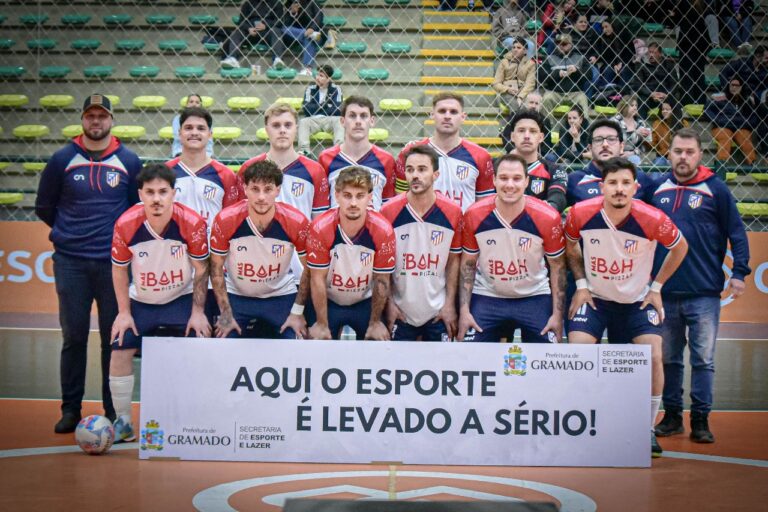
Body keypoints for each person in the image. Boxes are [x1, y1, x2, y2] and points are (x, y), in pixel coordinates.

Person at [565, 156, 689, 457]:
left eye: (625, 183)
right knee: (577, 351)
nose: (619, 189)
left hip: (636, 301)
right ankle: (583, 420)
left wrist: (656, 288)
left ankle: (646, 428)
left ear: (635, 187)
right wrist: (581, 284)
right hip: (596, 299)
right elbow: (570, 243)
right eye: (612, 183)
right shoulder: (580, 213)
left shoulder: (652, 218)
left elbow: (680, 247)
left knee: (654, 355)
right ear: (602, 187)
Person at [35, 93, 141, 434]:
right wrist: (70, 234)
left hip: (113, 265)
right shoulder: (62, 159)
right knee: (74, 336)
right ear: (83, 119)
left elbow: (134, 210)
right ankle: (70, 409)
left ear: (111, 120)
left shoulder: (129, 160)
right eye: (90, 116)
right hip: (71, 262)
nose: (96, 121)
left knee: (114, 338)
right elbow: (44, 206)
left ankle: (112, 410)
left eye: (102, 116)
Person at [651, 128, 751, 443]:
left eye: (689, 152)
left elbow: (737, 232)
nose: (683, 157)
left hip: (704, 293)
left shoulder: (716, 189)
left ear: (700, 155)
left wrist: (740, 272)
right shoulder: (656, 188)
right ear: (669, 153)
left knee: (703, 360)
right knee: (669, 359)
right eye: (678, 151)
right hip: (664, 292)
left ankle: (700, 420)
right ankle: (672, 416)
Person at [109, 163, 211, 441]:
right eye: (150, 192)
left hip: (181, 298)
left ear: (174, 194)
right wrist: (123, 313)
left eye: (163, 192)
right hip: (142, 300)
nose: (156, 199)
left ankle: (196, 419)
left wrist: (198, 311)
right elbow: (118, 269)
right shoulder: (126, 224)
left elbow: (201, 269)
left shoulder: (192, 223)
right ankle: (123, 421)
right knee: (120, 345)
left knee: (201, 342)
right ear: (140, 194)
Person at [457, 154, 566, 343]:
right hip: (488, 295)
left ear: (526, 181)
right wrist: (464, 312)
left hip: (534, 295)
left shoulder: (547, 217)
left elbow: (558, 267)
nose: (510, 185)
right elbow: (468, 265)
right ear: (493, 180)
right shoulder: (474, 214)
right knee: (469, 349)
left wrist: (557, 316)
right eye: (503, 178)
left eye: (516, 178)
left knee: (549, 351)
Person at [210, 160, 311, 339]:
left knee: (295, 343)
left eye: (268, 189)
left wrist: (297, 312)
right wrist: (225, 312)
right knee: (223, 343)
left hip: (280, 296)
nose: (261, 197)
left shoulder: (296, 221)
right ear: (245, 189)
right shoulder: (226, 220)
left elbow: (309, 268)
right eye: (255, 189)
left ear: (278, 190)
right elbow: (215, 267)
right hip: (237, 296)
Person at [380, 145, 463, 342]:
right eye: (410, 170)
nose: (415, 175)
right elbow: (382, 266)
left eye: (422, 169)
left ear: (436, 175)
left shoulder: (453, 212)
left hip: (438, 311)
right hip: (401, 311)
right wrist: (389, 304)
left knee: (442, 361)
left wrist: (449, 304)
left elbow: (453, 261)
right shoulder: (388, 211)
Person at [306, 167, 396, 340]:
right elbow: (317, 278)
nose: (353, 203)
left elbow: (382, 279)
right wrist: (322, 324)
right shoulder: (320, 228)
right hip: (330, 301)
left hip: (365, 302)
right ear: (337, 195)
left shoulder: (383, 230)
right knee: (317, 341)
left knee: (377, 340)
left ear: (370, 197)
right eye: (347, 196)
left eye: (360, 196)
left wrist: (375, 322)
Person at [396, 92, 495, 212]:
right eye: (442, 111)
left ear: (463, 117)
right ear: (432, 114)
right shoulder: (410, 153)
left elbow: (484, 205)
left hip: (463, 224)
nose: (447, 116)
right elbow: (399, 200)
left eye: (453, 112)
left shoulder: (480, 156)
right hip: (422, 223)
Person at [240, 102, 330, 220]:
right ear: (267, 129)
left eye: (288, 125)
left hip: (300, 233)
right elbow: (239, 215)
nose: (282, 130)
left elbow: (320, 221)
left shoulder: (315, 170)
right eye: (276, 125)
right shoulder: (249, 168)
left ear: (296, 129)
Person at [165, 107, 241, 229]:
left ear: (210, 134)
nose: (194, 132)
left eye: (201, 128)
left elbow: (231, 221)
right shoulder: (165, 172)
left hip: (211, 241)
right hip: (171, 240)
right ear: (179, 133)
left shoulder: (226, 175)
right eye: (188, 128)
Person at [318, 96, 396, 211]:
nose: (358, 121)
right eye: (352, 116)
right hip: (337, 222)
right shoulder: (326, 158)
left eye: (363, 116)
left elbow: (387, 206)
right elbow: (322, 207)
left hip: (373, 222)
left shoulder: (386, 160)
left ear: (372, 121)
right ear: (342, 121)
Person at [566, 118, 657, 206]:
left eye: (611, 139)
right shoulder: (574, 180)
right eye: (598, 140)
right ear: (590, 148)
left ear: (621, 147)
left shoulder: (640, 179)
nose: (605, 144)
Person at [507, 109, 568, 212]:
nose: (527, 136)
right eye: (521, 130)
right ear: (512, 136)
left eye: (533, 131)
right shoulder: (496, 167)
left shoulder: (554, 170)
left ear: (541, 137)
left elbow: (558, 197)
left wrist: (548, 208)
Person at [704, 76, 758, 166]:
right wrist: (717, 120)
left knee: (745, 140)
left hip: (741, 126)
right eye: (732, 85)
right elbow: (707, 110)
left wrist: (746, 124)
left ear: (741, 87)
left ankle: (753, 164)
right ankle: (722, 164)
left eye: (737, 85)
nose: (734, 87)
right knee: (725, 138)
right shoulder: (719, 97)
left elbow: (754, 116)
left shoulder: (748, 100)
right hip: (722, 125)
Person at [538, 33, 591, 123]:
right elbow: (541, 76)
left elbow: (589, 76)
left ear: (571, 45)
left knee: (583, 98)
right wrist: (557, 73)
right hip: (555, 93)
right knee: (546, 98)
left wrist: (576, 71)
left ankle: (584, 129)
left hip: (575, 93)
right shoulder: (549, 58)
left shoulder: (580, 58)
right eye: (558, 44)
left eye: (564, 44)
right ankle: (547, 127)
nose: (560, 46)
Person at [220, 0, 287, 69]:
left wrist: (266, 25)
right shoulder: (248, 3)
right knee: (238, 32)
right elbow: (241, 22)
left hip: (267, 31)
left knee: (276, 31)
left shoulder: (276, 3)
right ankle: (232, 58)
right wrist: (248, 28)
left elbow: (280, 22)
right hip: (250, 32)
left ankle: (277, 59)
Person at [298, 64, 343, 157]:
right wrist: (326, 106)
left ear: (328, 79)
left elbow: (338, 109)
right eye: (317, 75)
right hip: (313, 120)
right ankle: (305, 152)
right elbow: (306, 108)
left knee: (339, 120)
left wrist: (316, 107)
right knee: (303, 122)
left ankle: (339, 151)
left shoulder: (336, 89)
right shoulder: (310, 89)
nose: (317, 78)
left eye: (321, 76)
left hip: (329, 120)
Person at [492, 37, 536, 114]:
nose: (515, 50)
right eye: (513, 47)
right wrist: (507, 89)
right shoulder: (504, 62)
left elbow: (530, 84)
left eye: (519, 48)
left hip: (524, 92)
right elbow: (496, 83)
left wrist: (521, 96)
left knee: (531, 102)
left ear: (525, 51)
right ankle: (517, 119)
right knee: (514, 103)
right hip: (506, 92)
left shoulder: (531, 64)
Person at [634, 42, 678, 117]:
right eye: (649, 52)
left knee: (675, 103)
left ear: (660, 54)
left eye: (654, 52)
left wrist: (667, 94)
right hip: (648, 96)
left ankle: (672, 124)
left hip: (665, 95)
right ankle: (641, 122)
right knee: (642, 101)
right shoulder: (641, 64)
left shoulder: (668, 64)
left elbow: (675, 83)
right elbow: (637, 84)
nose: (651, 55)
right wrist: (651, 94)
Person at [282, 0, 324, 76]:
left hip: (315, 34)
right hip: (295, 36)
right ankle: (306, 33)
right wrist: (293, 13)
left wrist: (312, 28)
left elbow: (319, 18)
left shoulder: (312, 2)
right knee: (284, 29)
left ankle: (307, 68)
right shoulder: (289, 4)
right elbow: (285, 24)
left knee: (308, 39)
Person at [594, 18, 635, 93]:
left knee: (624, 70)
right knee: (608, 69)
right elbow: (605, 57)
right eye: (603, 28)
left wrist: (621, 63)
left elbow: (631, 53)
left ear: (613, 26)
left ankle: (622, 94)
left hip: (626, 62)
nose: (604, 30)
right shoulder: (602, 39)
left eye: (606, 27)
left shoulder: (624, 36)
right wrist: (614, 65)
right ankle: (607, 93)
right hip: (611, 64)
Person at [612, 95, 653, 165]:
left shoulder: (640, 123)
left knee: (635, 159)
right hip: (616, 154)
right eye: (632, 105)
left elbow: (644, 146)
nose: (635, 108)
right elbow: (615, 141)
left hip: (633, 155)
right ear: (624, 106)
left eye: (636, 105)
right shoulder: (615, 121)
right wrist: (635, 133)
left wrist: (633, 153)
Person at [171, 94, 213, 158]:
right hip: (180, 150)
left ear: (200, 105)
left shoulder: (206, 119)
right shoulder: (178, 118)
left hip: (206, 152)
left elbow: (209, 140)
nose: (194, 104)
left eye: (197, 102)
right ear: (187, 105)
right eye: (191, 102)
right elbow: (177, 137)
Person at [651, 101, 686, 166]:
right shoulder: (657, 123)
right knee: (658, 163)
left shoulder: (683, 123)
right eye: (663, 109)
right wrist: (646, 139)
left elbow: (686, 142)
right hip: (662, 156)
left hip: (679, 155)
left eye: (667, 109)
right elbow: (654, 143)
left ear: (674, 110)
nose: (664, 111)